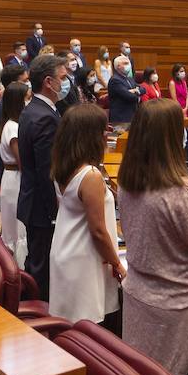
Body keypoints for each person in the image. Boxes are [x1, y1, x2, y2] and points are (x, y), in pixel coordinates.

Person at [118, 100, 188, 375]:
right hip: (175, 308)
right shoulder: (181, 190)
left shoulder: (127, 179)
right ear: (174, 137)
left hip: (138, 295)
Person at [49, 104, 122, 323]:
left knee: (70, 325)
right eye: (103, 131)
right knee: (86, 326)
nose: (105, 136)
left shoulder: (64, 166)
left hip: (67, 251)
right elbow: (98, 231)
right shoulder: (90, 175)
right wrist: (117, 264)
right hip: (83, 258)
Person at [18, 54, 68, 298]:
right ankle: (37, 320)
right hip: (42, 208)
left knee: (36, 262)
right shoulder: (45, 117)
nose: (66, 82)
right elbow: (46, 171)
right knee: (41, 269)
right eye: (63, 78)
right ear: (48, 82)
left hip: (34, 202)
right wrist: (54, 213)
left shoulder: (35, 110)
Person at [0, 81, 28, 260]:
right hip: (15, 179)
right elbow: (22, 161)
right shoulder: (13, 128)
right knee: (17, 229)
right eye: (27, 98)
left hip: (13, 177)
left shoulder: (12, 124)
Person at [107, 55, 142, 124]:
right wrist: (136, 93)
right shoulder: (115, 80)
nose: (129, 65)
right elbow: (129, 96)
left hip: (132, 115)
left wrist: (135, 91)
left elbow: (143, 89)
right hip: (121, 118)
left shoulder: (129, 79)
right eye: (125, 63)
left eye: (129, 63)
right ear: (118, 66)